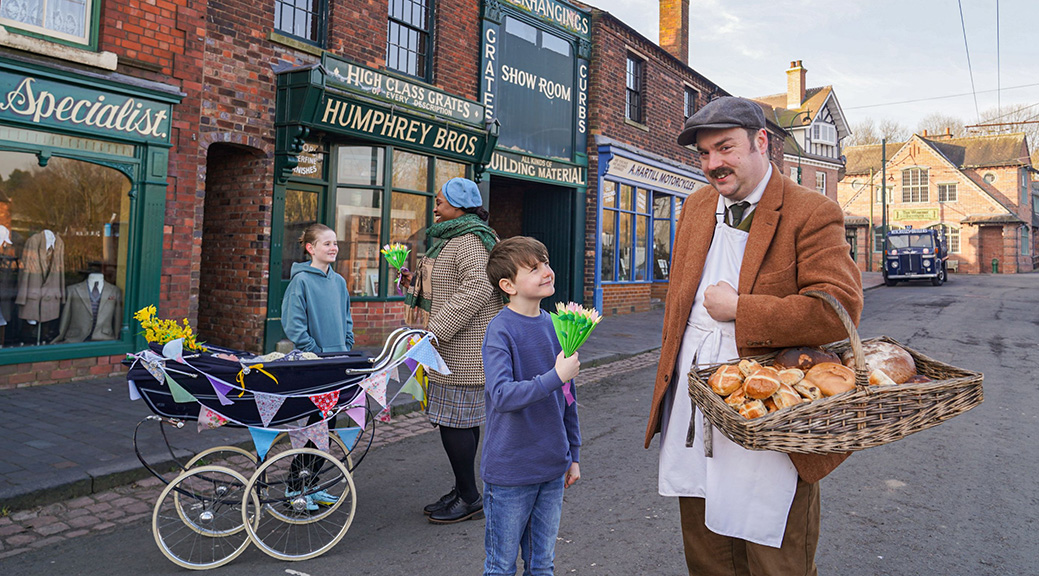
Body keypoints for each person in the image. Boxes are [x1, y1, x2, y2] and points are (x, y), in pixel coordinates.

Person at [644, 96, 863, 575]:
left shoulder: (812, 210)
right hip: (695, 406)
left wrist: (741, 310)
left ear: (761, 141)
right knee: (707, 554)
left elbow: (838, 308)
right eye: (703, 154)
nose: (713, 164)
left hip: (772, 416)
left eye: (724, 148)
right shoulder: (697, 205)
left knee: (774, 557)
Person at [402, 177, 502, 524]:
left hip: (464, 347)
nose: (435, 205)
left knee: (454, 423)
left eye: (440, 200)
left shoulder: (471, 240)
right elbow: (444, 283)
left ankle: (470, 497)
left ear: (459, 205)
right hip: (450, 347)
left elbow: (479, 287)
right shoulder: (451, 237)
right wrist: (410, 280)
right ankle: (464, 489)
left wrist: (436, 330)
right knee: (460, 422)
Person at [481, 236, 581, 576]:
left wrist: (574, 453)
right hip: (510, 471)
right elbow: (503, 395)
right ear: (508, 285)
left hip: (552, 467)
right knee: (501, 566)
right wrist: (555, 375)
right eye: (534, 268)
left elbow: (568, 398)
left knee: (543, 564)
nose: (547, 272)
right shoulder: (500, 330)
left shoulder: (558, 325)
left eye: (546, 263)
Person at [281, 223, 354, 510]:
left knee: (328, 428)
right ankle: (294, 489)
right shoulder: (300, 282)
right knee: (313, 429)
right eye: (327, 243)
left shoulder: (339, 282)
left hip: (337, 366)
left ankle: (311, 486)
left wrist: (345, 348)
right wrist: (317, 353)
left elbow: (347, 319)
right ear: (310, 248)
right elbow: (294, 326)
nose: (333, 247)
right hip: (313, 368)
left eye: (335, 243)